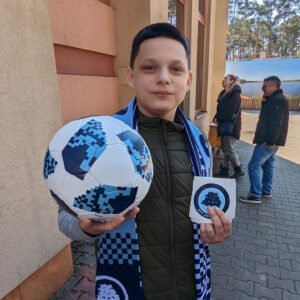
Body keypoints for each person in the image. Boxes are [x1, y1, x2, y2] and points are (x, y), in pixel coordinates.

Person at [58, 23, 231, 300]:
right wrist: (84, 226)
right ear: (131, 76)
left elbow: (201, 212)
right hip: (129, 288)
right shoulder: (101, 138)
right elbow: (65, 217)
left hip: (191, 287)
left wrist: (212, 231)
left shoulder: (200, 143)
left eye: (175, 69)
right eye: (149, 68)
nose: (163, 78)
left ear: (188, 80)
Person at [239, 76, 289, 204]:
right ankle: (266, 190)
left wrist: (271, 141)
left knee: (253, 165)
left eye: (265, 86)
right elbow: (267, 115)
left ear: (273, 86)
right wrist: (265, 102)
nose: (262, 89)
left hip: (268, 141)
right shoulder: (274, 99)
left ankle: (255, 195)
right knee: (268, 164)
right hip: (270, 141)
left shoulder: (278, 100)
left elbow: (275, 123)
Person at [213, 74, 244, 179]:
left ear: (231, 81)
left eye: (225, 79)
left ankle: (238, 169)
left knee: (229, 149)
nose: (223, 80)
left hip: (231, 126)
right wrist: (215, 117)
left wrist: (219, 118)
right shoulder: (224, 94)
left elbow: (230, 112)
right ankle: (225, 170)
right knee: (224, 148)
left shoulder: (234, 94)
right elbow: (221, 110)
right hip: (224, 125)